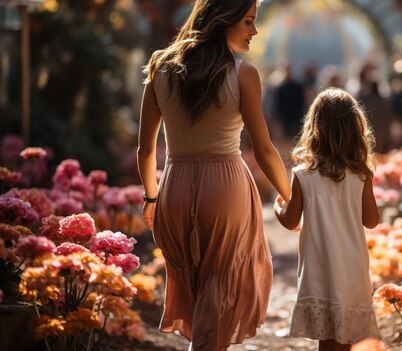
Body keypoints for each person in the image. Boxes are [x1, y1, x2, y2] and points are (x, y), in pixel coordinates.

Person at [136, 1, 291, 350]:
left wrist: (151, 197)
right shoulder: (243, 74)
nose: (254, 31)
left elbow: (145, 150)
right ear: (224, 20)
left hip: (173, 188)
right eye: (249, 21)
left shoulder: (161, 66)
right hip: (227, 190)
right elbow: (264, 149)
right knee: (220, 287)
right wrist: (291, 196)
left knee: (195, 284)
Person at [273, 88, 380, 351]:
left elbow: (290, 220)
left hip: (319, 269)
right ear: (356, 129)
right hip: (351, 268)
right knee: (348, 336)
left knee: (328, 340)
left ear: (315, 128)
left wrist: (279, 207)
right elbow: (371, 220)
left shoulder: (303, 175)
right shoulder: (361, 175)